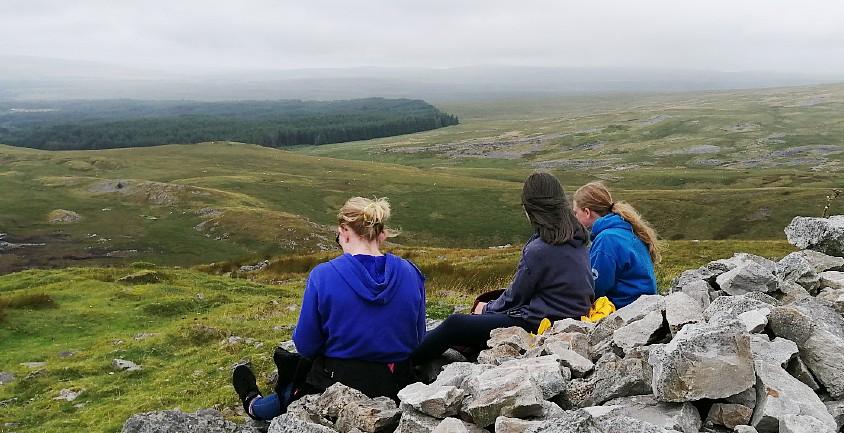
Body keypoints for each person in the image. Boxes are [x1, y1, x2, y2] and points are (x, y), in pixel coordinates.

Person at [232, 197, 426, 420]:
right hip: (396, 384)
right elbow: (417, 338)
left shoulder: (323, 275)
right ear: (381, 234)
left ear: (344, 231)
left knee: (297, 378)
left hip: (338, 387)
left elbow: (305, 345)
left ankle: (253, 403)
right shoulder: (411, 272)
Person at [412, 172, 593, 363]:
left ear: (531, 209)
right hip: (568, 317)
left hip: (538, 324)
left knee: (455, 324)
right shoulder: (576, 236)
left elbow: (514, 298)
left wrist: (486, 309)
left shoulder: (540, 249)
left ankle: (402, 363)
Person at [572, 181, 659, 308]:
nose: (575, 217)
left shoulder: (606, 239)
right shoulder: (624, 228)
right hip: (643, 305)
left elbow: (594, 289)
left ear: (587, 212)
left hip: (626, 310)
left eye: (576, 213)